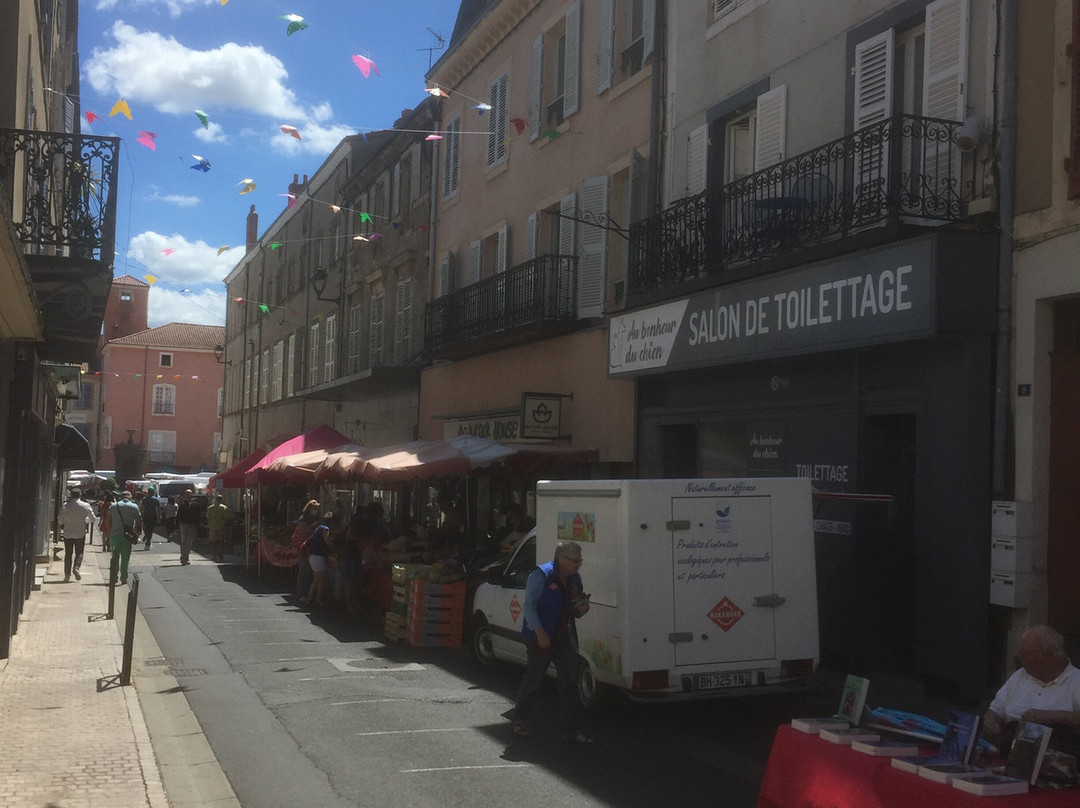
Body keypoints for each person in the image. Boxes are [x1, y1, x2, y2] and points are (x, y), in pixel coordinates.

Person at [509, 539, 592, 744]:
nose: (578, 564)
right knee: (534, 680)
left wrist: (581, 608)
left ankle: (571, 729)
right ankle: (519, 720)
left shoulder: (574, 578)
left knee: (569, 682)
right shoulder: (541, 575)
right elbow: (529, 606)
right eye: (575, 560)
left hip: (564, 636)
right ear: (560, 559)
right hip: (541, 636)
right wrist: (539, 631)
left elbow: (572, 605)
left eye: (580, 560)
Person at [983, 625, 1080, 755]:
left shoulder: (1076, 681)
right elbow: (995, 710)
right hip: (1006, 750)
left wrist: (1049, 716)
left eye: (1025, 654)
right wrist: (991, 722)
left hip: (1053, 757)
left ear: (1047, 656)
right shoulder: (1020, 676)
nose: (1019, 657)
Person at [59, 489, 95, 582]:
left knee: (68, 554)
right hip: (80, 532)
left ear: (71, 495)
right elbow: (92, 518)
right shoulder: (85, 505)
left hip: (68, 532)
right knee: (79, 552)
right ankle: (76, 567)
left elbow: (60, 519)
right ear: (80, 495)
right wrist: (85, 521)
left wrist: (62, 524)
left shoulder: (65, 506)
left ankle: (67, 575)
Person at [108, 490, 142, 585]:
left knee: (115, 557)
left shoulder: (113, 506)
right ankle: (124, 577)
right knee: (125, 558)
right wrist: (136, 533)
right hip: (127, 536)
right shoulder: (134, 507)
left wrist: (109, 532)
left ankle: (114, 577)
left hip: (115, 535)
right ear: (130, 497)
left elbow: (108, 520)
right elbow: (138, 522)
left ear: (121, 497)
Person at [304, 512, 336, 608]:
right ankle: (319, 599)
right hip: (318, 556)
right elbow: (327, 542)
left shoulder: (319, 527)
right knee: (321, 580)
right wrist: (335, 548)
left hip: (313, 556)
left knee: (316, 579)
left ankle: (310, 598)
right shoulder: (325, 529)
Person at [292, 499, 320, 600]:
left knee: (309, 571)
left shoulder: (313, 519)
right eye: (314, 509)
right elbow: (303, 532)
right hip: (303, 547)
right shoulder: (303, 519)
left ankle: (308, 593)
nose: (316, 511)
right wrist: (313, 526)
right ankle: (301, 593)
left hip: (310, 546)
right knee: (304, 570)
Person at [176, 489, 200, 565]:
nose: (189, 496)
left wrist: (197, 526)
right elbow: (178, 516)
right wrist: (176, 527)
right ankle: (183, 557)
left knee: (189, 542)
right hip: (183, 524)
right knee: (183, 541)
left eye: (190, 495)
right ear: (185, 496)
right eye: (187, 495)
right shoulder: (182, 505)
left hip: (191, 525)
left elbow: (197, 516)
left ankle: (186, 557)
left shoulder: (195, 505)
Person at [205, 494, 232, 563]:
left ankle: (214, 554)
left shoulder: (210, 508)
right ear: (221, 500)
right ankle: (219, 552)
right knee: (220, 541)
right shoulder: (224, 507)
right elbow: (227, 517)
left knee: (213, 542)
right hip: (221, 527)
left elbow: (207, 517)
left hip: (213, 527)